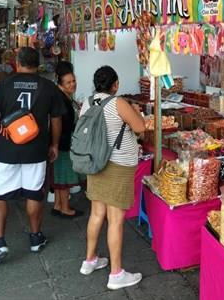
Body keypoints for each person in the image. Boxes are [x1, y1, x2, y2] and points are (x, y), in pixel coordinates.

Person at [0, 47, 65, 266]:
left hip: (7, 149)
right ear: (38, 63)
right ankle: (35, 237)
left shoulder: (4, 85)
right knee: (34, 194)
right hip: (36, 150)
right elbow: (56, 120)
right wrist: (54, 144)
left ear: (17, 62)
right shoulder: (48, 87)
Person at [79, 66, 145, 291]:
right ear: (115, 84)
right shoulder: (118, 103)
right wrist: (135, 111)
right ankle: (116, 273)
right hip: (118, 165)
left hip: (95, 163)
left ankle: (89, 261)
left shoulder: (88, 102)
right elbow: (140, 128)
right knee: (115, 220)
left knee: (97, 213)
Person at [51, 69, 81, 218]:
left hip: (60, 142)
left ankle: (57, 205)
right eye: (68, 82)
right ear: (60, 84)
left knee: (58, 175)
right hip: (63, 143)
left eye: (73, 81)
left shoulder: (64, 97)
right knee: (64, 177)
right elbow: (64, 123)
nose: (72, 84)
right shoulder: (62, 100)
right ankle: (65, 208)